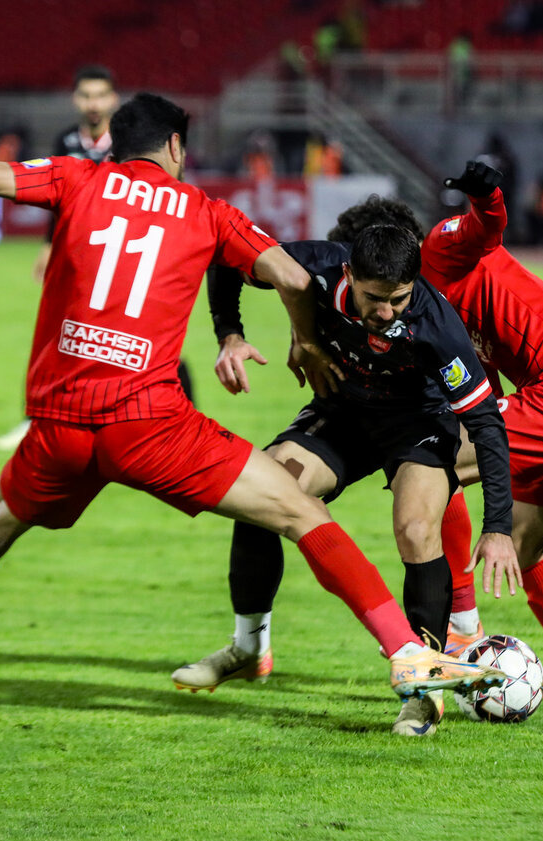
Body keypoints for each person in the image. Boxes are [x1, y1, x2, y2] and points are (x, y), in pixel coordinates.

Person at [0, 91, 506, 718]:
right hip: (151, 423)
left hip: (59, 428)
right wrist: (305, 339)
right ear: (175, 147)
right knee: (299, 510)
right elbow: (292, 274)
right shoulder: (204, 210)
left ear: (112, 143)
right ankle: (404, 652)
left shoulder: (76, 178)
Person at [194, 161, 543, 708]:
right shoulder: (386, 293)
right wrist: (302, 333)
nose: (373, 308)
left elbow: (484, 230)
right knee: (524, 541)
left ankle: (460, 632)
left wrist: (488, 191)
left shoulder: (440, 259)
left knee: (434, 462)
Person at [179, 208, 519, 737]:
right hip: (343, 411)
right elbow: (225, 257)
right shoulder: (313, 265)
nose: (385, 312)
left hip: (418, 425)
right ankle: (249, 648)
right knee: (259, 492)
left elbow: (486, 425)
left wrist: (497, 527)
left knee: (415, 527)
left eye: (398, 299)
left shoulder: (435, 325)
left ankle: (422, 694)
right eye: (373, 298)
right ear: (349, 277)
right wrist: (230, 333)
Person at [0, 65, 192, 452]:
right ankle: (36, 418)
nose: (93, 103)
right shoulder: (66, 140)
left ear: (113, 99)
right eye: (86, 96)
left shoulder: (132, 142)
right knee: (58, 333)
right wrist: (49, 245)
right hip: (77, 255)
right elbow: (56, 197)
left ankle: (179, 416)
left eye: (100, 95)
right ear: (75, 99)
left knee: (145, 338)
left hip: (129, 254)